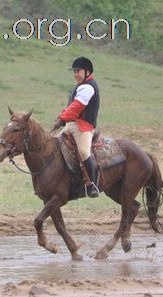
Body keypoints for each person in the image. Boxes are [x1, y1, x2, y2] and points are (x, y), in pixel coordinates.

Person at [53, 57, 100, 198]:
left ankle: (91, 185)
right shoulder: (80, 85)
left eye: (77, 71)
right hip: (71, 124)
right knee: (53, 145)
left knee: (83, 151)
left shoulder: (88, 87)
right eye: (74, 71)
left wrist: (62, 119)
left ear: (87, 71)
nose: (75, 74)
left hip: (84, 126)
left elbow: (77, 107)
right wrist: (62, 117)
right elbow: (70, 108)